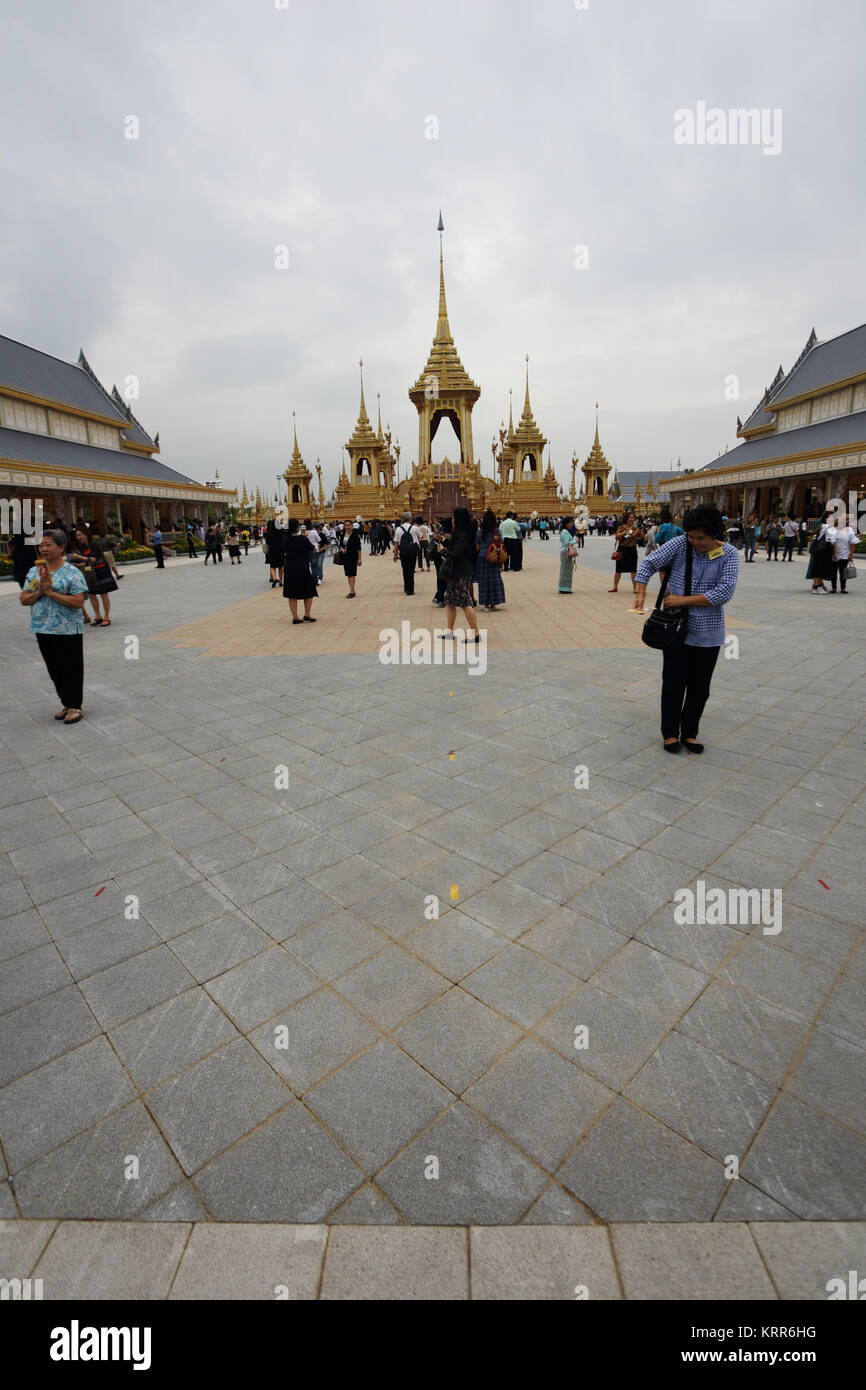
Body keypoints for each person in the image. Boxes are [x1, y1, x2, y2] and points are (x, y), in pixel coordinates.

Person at [633, 504, 739, 755]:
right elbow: (648, 563)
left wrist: (683, 599)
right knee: (672, 683)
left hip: (708, 634)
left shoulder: (730, 554)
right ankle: (670, 733)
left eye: (700, 538)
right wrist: (640, 591)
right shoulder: (681, 545)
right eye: (691, 536)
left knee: (700, 688)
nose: (694, 542)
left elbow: (724, 592)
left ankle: (690, 732)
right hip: (676, 630)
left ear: (715, 534)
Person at [19, 529, 88, 724]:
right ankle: (66, 703)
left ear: (61, 547)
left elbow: (78, 601)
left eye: (48, 545)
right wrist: (39, 592)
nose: (43, 549)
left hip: (67, 629)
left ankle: (75, 705)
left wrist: (51, 593)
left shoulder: (71, 572)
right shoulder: (35, 572)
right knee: (54, 668)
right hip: (42, 627)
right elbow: (24, 599)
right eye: (41, 545)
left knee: (71, 668)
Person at [436, 507, 480, 642]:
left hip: (460, 573)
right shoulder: (462, 534)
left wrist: (443, 551)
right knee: (449, 602)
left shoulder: (463, 535)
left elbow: (456, 554)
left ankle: (476, 633)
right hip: (456, 572)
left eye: (454, 518)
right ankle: (449, 630)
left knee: (465, 603)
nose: (453, 521)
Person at [68, 525, 118, 626]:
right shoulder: (81, 547)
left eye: (80, 535)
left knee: (104, 594)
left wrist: (78, 557)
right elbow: (87, 563)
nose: (78, 537)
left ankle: (107, 616)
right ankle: (98, 616)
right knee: (91, 594)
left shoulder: (94, 544)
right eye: (77, 536)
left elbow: (93, 559)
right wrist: (78, 565)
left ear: (86, 534)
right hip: (91, 574)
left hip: (101, 571)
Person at [281, 517, 318, 622]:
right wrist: (306, 537)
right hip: (302, 567)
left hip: (289, 567)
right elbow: (313, 549)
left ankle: (295, 617)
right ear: (297, 528)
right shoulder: (302, 539)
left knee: (292, 593)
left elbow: (283, 549)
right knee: (309, 591)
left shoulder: (284, 539)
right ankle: (307, 614)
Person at [476, 508, 506, 611]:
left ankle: (485, 604)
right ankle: (493, 602)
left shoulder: (480, 532)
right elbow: (501, 543)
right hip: (493, 558)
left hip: (482, 558)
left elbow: (477, 547)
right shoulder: (496, 531)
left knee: (484, 581)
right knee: (494, 580)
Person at [609, 512, 645, 594]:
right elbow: (617, 537)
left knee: (633, 569)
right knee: (618, 569)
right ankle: (615, 586)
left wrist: (638, 538)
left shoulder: (636, 529)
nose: (632, 519)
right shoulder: (621, 527)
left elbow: (642, 537)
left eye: (633, 518)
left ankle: (635, 588)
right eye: (630, 517)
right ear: (626, 518)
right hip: (622, 549)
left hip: (632, 550)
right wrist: (624, 533)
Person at [826, 514, 857, 594]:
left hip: (845, 555)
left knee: (843, 572)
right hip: (834, 555)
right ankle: (834, 588)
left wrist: (851, 555)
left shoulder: (849, 530)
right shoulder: (833, 530)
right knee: (833, 572)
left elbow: (853, 543)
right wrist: (835, 554)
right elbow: (832, 542)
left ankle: (843, 588)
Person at [805, 513, 834, 592]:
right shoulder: (824, 526)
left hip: (827, 550)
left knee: (822, 568)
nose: (832, 519)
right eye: (830, 518)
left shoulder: (830, 527)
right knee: (818, 567)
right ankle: (816, 586)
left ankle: (819, 584)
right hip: (821, 549)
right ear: (826, 519)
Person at [393, 510, 419, 595]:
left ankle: (406, 587)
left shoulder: (398, 529)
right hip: (412, 552)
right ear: (410, 518)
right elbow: (421, 536)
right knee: (411, 570)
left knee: (405, 570)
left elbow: (396, 543)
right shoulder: (415, 528)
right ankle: (410, 590)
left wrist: (395, 555)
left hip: (403, 552)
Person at [342, 520, 362, 596]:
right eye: (346, 525)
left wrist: (360, 559)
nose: (347, 527)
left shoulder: (355, 535)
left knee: (352, 574)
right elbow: (341, 545)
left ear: (351, 526)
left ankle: (352, 591)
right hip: (345, 557)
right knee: (348, 574)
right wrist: (342, 549)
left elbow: (358, 548)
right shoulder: (343, 535)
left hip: (353, 557)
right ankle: (351, 589)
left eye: (348, 525)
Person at [558, 517, 578, 594]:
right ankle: (565, 588)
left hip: (564, 552)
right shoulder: (565, 532)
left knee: (565, 570)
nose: (571, 525)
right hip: (566, 552)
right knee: (567, 571)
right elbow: (567, 543)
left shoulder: (564, 531)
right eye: (570, 523)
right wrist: (575, 541)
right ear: (566, 524)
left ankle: (564, 587)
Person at [264, 518, 283, 587]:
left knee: (273, 566)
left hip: (272, 550)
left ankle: (274, 578)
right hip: (280, 550)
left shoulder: (269, 532)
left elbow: (267, 542)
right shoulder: (282, 531)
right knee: (280, 566)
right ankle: (281, 582)